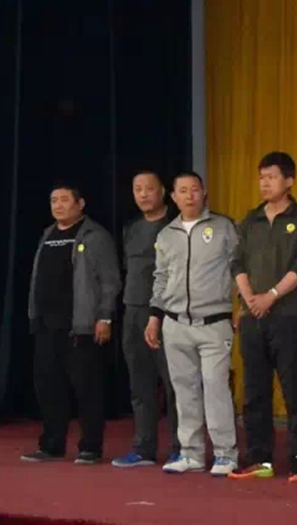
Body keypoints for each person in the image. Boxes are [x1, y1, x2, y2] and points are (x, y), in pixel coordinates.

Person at [228, 152, 297, 483]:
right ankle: (259, 457)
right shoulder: (250, 219)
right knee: (255, 391)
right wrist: (249, 297)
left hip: (287, 316)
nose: (265, 183)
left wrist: (271, 296)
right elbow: (237, 263)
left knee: (294, 389)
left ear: (289, 181)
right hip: (253, 317)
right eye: (261, 177)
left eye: (272, 177)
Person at [145, 171, 239, 476]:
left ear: (204, 192)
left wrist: (241, 306)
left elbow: (239, 268)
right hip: (175, 324)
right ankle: (191, 453)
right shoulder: (166, 234)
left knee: (216, 388)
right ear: (173, 197)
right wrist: (155, 317)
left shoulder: (223, 227)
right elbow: (160, 278)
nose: (189, 195)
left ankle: (225, 454)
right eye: (183, 191)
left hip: (214, 322)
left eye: (195, 189)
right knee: (184, 391)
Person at [22, 184, 121, 465]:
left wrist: (104, 316)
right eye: (54, 200)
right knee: (49, 388)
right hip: (46, 325)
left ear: (80, 204)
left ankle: (90, 447)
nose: (58, 205)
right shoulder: (48, 234)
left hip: (81, 326)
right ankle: (51, 445)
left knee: (87, 389)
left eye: (64, 200)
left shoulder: (95, 235)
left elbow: (110, 280)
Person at [112, 170, 180, 468]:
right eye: (137, 189)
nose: (143, 194)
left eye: (149, 188)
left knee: (174, 385)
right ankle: (144, 448)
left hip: (167, 312)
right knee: (140, 385)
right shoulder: (131, 228)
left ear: (162, 191)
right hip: (133, 310)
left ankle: (181, 448)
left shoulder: (175, 226)